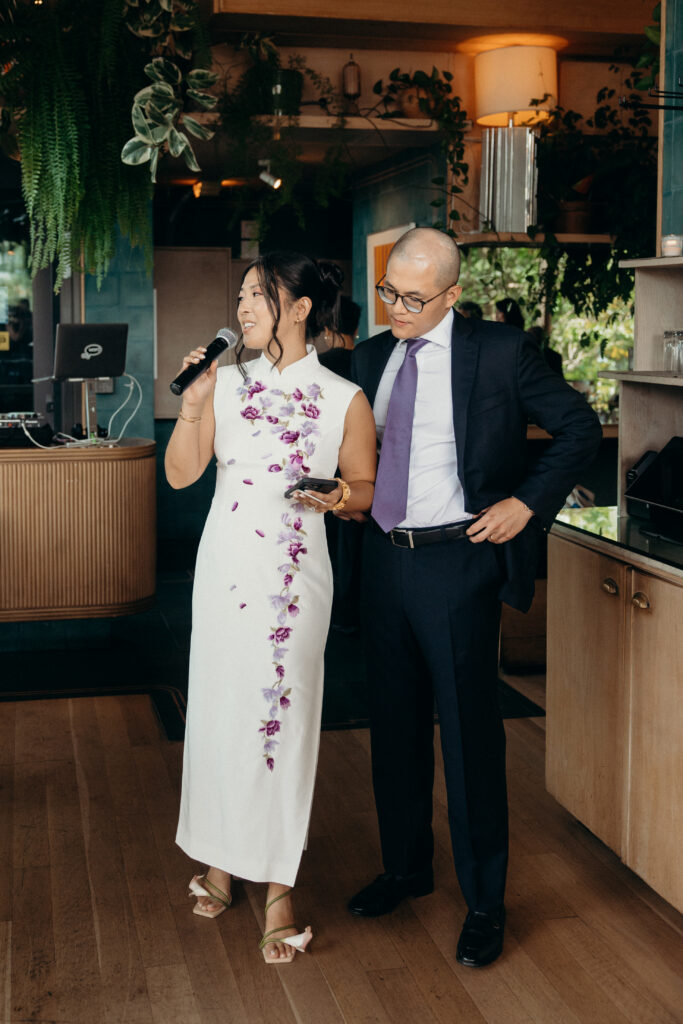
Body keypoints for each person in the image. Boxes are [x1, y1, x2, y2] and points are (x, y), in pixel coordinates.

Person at [346, 227, 601, 967]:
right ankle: (404, 869)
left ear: (452, 295)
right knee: (392, 731)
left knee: (467, 737)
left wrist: (526, 503)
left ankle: (485, 901)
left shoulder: (498, 351)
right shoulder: (370, 358)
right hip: (385, 562)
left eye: (413, 297)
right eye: (388, 290)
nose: (395, 307)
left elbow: (577, 429)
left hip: (459, 563)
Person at [166, 252, 376, 964]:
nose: (243, 307)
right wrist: (194, 402)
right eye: (241, 294)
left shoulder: (345, 398)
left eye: (258, 294)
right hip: (224, 567)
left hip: (292, 579)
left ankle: (280, 886)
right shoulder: (221, 381)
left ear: (301, 307)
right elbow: (181, 473)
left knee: (281, 720)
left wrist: (336, 497)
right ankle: (221, 860)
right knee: (221, 711)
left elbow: (364, 491)